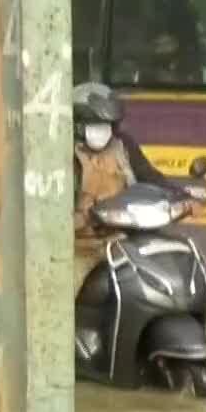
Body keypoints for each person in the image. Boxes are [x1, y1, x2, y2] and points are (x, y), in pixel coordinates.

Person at [71, 82, 175, 290]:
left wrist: (179, 196)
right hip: (81, 247)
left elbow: (148, 175)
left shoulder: (123, 145)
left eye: (107, 126)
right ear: (77, 124)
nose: (103, 132)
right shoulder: (62, 152)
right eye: (95, 125)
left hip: (120, 240)